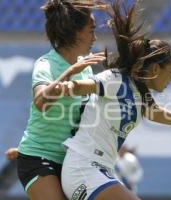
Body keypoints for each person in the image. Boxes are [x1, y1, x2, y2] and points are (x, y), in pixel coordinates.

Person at [56, 1, 171, 199]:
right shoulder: (116, 80)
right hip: (83, 167)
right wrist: (69, 86)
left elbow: (155, 113)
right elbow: (84, 86)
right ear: (156, 69)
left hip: (101, 171)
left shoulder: (139, 94)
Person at [16, 1, 108, 200]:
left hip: (72, 162)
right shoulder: (46, 64)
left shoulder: (85, 67)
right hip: (38, 159)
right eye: (91, 30)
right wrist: (69, 72)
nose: (95, 37)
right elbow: (41, 102)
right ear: (74, 32)